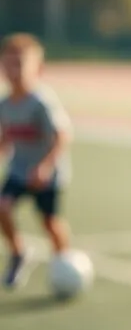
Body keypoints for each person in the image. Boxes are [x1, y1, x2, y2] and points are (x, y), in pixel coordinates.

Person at [0, 32, 75, 290]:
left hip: (46, 174)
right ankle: (19, 253)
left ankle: (65, 261)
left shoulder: (41, 102)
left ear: (37, 68)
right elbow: (6, 139)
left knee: (49, 222)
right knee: (2, 207)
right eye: (9, 64)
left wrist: (45, 166)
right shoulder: (4, 105)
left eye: (20, 64)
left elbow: (63, 135)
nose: (14, 70)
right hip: (20, 171)